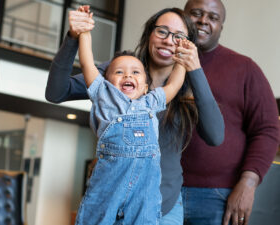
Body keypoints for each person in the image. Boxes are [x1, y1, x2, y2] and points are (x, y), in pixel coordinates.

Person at [45, 6, 225, 225]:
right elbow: (56, 92)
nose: (169, 40)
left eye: (178, 37)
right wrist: (75, 37)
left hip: (162, 210)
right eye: (162, 31)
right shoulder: (118, 73)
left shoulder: (185, 87)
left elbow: (216, 136)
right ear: (149, 34)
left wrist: (194, 68)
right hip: (110, 204)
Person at [76, 5, 190, 224]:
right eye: (119, 72)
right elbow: (86, 63)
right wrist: (84, 32)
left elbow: (174, 84)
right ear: (106, 82)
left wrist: (182, 57)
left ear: (146, 86)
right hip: (109, 186)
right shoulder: (104, 96)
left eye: (135, 72)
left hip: (144, 193)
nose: (128, 75)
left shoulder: (151, 102)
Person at [181, 0, 280, 225]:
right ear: (183, 16)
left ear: (221, 26)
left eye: (213, 17)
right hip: (160, 190)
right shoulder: (163, 61)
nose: (203, 21)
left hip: (218, 196)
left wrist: (248, 183)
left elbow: (267, 131)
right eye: (196, 13)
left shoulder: (245, 69)